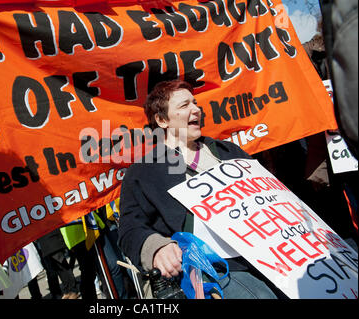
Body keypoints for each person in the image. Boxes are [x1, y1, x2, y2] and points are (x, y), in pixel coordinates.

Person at [118, 80, 285, 299]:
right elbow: (129, 229)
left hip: (272, 256)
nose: (196, 109)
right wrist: (156, 248)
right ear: (162, 120)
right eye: (184, 105)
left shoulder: (229, 152)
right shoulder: (142, 173)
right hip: (214, 270)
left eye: (195, 103)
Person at [35, 229, 80, 299]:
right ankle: (67, 291)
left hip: (52, 241)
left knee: (63, 267)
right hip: (45, 243)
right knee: (58, 269)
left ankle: (73, 290)